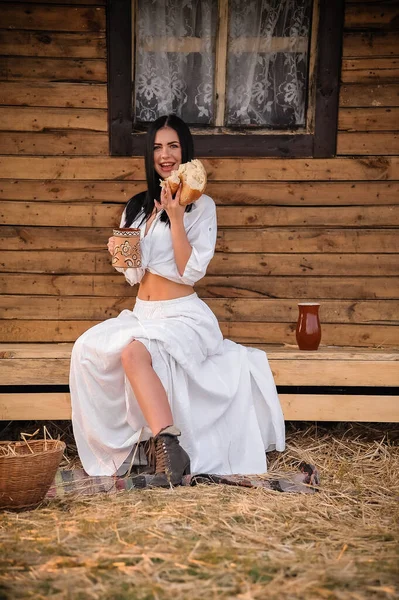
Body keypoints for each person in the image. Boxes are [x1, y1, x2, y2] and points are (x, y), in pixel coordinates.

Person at [70, 114, 285, 487]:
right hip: (143, 312)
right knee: (86, 349)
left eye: (172, 146)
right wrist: (120, 252)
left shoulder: (202, 206)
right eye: (157, 147)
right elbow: (134, 275)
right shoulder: (137, 207)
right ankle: (139, 448)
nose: (165, 154)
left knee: (132, 353)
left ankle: (169, 448)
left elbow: (189, 271)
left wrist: (176, 215)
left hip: (183, 315)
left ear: (185, 152)